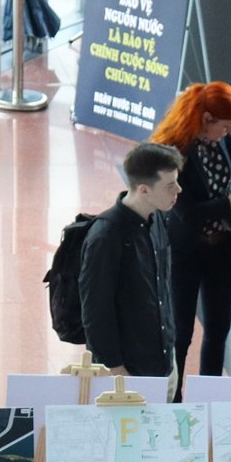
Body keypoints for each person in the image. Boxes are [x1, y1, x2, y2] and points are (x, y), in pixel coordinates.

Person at [149, 82, 231, 380]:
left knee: (219, 328)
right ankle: (174, 397)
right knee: (181, 333)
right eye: (225, 125)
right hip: (185, 252)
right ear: (206, 120)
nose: (228, 131)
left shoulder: (219, 139)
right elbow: (188, 215)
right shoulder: (174, 151)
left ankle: (209, 392)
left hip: (221, 246)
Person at [80, 142, 182, 383]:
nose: (178, 189)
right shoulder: (106, 236)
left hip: (165, 363)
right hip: (128, 372)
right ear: (144, 190)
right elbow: (96, 311)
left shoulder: (157, 219)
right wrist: (115, 371)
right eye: (170, 185)